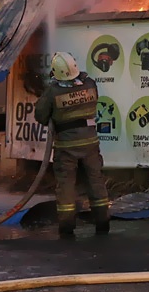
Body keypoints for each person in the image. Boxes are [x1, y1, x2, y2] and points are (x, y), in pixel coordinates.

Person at [35, 51, 111, 237]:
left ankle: (67, 228)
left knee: (66, 185)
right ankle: (102, 224)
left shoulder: (53, 92)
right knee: (96, 181)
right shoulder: (90, 84)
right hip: (90, 143)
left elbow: (40, 115)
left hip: (66, 147)